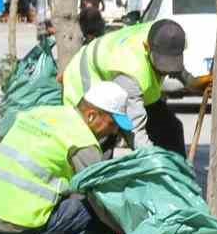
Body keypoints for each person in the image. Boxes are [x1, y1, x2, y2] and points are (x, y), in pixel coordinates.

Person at [0, 80, 134, 234]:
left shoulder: (47, 114)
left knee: (75, 199)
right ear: (92, 115)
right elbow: (103, 196)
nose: (112, 133)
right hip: (15, 220)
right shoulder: (82, 140)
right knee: (102, 216)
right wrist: (128, 225)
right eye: (112, 124)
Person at [61, 17, 206, 158]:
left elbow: (172, 61)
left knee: (170, 129)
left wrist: (190, 81)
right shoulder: (132, 69)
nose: (166, 70)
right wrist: (155, 162)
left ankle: (177, 178)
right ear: (147, 48)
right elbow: (136, 132)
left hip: (118, 76)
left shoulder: (165, 34)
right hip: (86, 79)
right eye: (162, 64)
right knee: (103, 137)